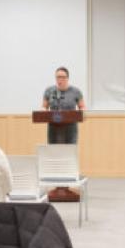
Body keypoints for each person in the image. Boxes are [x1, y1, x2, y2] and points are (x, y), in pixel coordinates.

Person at [42, 67, 85, 202]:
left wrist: (81, 112)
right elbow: (44, 107)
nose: (59, 80)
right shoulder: (49, 91)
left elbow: (82, 107)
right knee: (55, 154)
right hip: (53, 128)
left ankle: (67, 186)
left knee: (69, 155)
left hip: (70, 128)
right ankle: (58, 186)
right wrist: (43, 111)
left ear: (67, 78)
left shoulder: (76, 91)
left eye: (62, 77)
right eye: (57, 77)